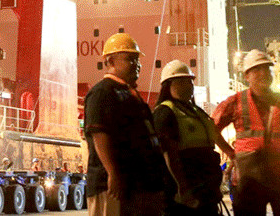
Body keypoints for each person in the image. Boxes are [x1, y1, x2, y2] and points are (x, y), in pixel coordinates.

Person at [212, 49, 280, 216]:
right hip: (249, 182)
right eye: (256, 70)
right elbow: (211, 129)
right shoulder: (235, 102)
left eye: (267, 69)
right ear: (246, 76)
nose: (263, 73)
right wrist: (231, 154)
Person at [83, 32, 168, 216]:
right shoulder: (103, 93)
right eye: (130, 59)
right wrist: (113, 173)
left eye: (137, 59)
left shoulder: (131, 95)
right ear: (110, 61)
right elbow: (100, 135)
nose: (137, 64)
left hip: (138, 186)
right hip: (112, 187)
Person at [153, 60, 234, 216]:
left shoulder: (196, 112)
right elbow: (169, 154)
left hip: (206, 189)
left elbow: (214, 133)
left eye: (190, 81)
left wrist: (231, 153)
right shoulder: (165, 113)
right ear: (168, 85)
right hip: (185, 193)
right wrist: (182, 188)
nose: (189, 85)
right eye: (182, 82)